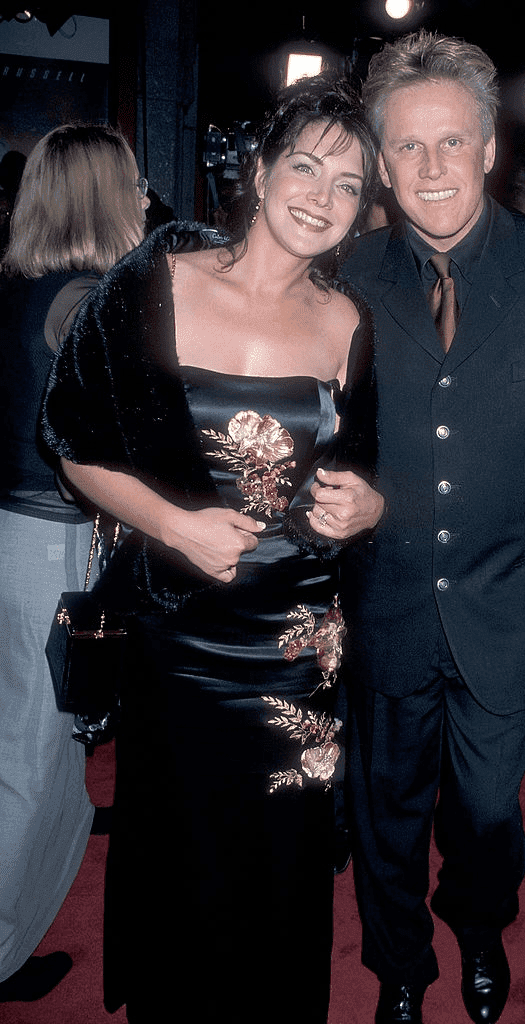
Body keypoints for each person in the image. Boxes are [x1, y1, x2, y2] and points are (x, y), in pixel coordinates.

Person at [41, 76, 383, 1023]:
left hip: (297, 650)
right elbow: (71, 441)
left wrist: (366, 505)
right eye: (306, 166)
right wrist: (174, 521)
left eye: (349, 183)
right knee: (182, 852)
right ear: (262, 171)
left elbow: (360, 472)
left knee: (282, 866)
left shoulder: (351, 323)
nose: (321, 195)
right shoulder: (158, 280)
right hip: (181, 640)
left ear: (362, 208)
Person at [339, 31, 525, 1024]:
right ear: (381, 163)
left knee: (480, 813)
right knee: (381, 810)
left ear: (485, 150)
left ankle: (474, 924)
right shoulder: (342, 275)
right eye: (406, 149)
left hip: (513, 603)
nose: (430, 168)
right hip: (379, 603)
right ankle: (399, 965)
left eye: (449, 143)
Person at [0, 124, 149, 1003]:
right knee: (31, 749)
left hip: (18, 534)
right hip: (51, 541)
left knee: (31, 739)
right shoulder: (85, 300)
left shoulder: (19, 285)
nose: (142, 194)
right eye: (131, 182)